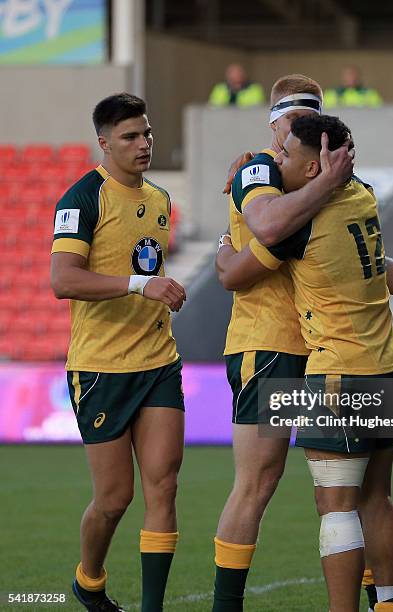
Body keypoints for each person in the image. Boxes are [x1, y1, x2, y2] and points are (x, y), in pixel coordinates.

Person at [213, 74, 393, 612]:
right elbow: (364, 260)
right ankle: (388, 602)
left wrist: (224, 252)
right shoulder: (353, 193)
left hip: (335, 366)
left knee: (337, 505)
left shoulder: (310, 206)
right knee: (355, 492)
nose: (288, 153)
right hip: (365, 357)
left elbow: (240, 268)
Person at [50, 93, 186, 612]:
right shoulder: (83, 198)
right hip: (101, 368)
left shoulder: (160, 199)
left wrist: (161, 290)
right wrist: (140, 285)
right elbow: (63, 280)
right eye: (130, 137)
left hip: (158, 363)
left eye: (147, 133)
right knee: (114, 500)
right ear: (104, 143)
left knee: (165, 485)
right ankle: (89, 580)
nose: (143, 144)